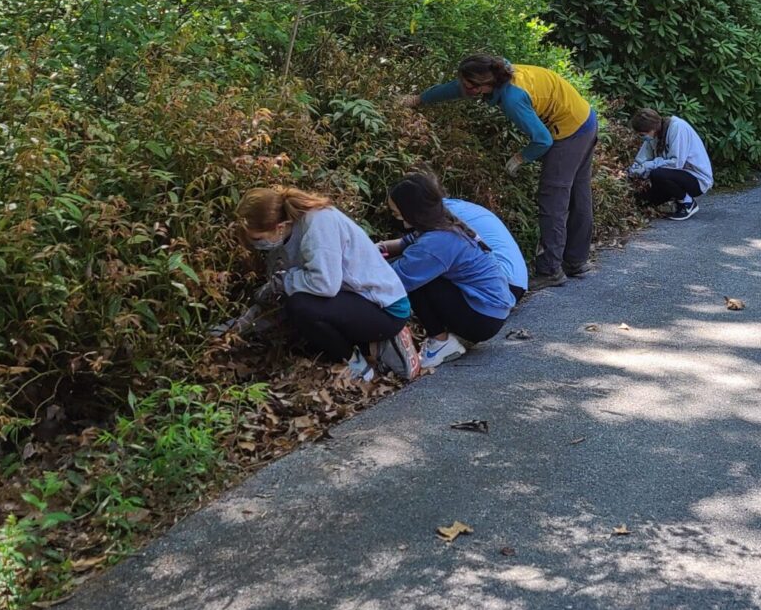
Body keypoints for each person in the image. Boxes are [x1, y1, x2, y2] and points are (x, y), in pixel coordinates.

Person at [403, 55, 596, 289]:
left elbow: (542, 140)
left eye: (469, 86)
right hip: (585, 118)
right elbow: (455, 89)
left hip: (569, 130)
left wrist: (520, 158)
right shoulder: (496, 72)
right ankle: (576, 261)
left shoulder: (513, 98)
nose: (464, 89)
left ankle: (550, 269)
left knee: (553, 196)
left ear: (484, 85)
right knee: (578, 193)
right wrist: (417, 99)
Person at [234, 185, 420, 381]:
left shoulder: (318, 223)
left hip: (386, 308)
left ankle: (359, 367)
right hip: (356, 299)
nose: (256, 245)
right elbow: (282, 286)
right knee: (303, 331)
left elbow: (324, 285)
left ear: (278, 227)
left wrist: (283, 282)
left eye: (257, 239)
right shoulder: (284, 236)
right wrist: (241, 325)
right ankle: (375, 347)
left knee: (301, 306)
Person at [378, 174, 515, 368]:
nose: (394, 215)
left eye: (396, 212)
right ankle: (446, 339)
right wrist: (380, 247)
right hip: (492, 309)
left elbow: (396, 279)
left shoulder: (437, 243)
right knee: (416, 266)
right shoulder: (442, 222)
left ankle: (440, 343)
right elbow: (407, 243)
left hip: (482, 318)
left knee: (420, 280)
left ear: (410, 210)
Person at [626, 108, 713, 220]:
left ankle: (687, 203)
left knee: (657, 174)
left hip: (697, 178)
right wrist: (633, 170)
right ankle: (674, 200)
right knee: (643, 200)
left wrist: (646, 167)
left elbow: (676, 163)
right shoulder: (655, 134)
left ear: (652, 128)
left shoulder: (677, 128)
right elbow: (642, 158)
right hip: (676, 175)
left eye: (643, 134)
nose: (642, 137)